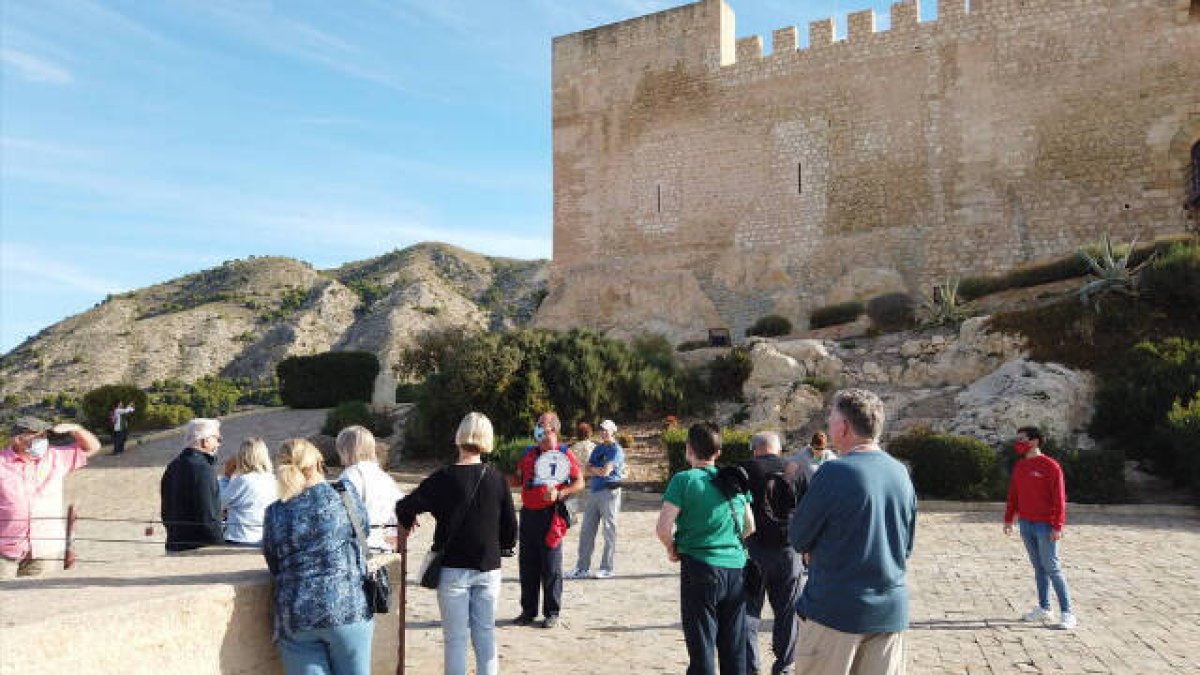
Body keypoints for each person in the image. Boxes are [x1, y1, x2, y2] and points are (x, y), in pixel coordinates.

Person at [789, 389, 917, 675]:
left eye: (831, 417)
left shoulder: (835, 472)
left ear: (843, 426)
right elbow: (905, 547)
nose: (828, 423)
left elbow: (798, 537)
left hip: (836, 611)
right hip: (889, 612)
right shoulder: (900, 472)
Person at [395, 412, 517, 675]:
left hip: (452, 567)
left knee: (455, 640)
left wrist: (409, 521)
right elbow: (510, 527)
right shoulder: (496, 478)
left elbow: (404, 506)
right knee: (485, 636)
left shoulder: (443, 478)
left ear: (459, 437)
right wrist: (504, 545)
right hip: (488, 566)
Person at [263, 438, 373, 675]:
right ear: (319, 463)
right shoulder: (343, 493)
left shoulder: (274, 511)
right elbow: (363, 530)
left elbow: (274, 562)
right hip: (347, 607)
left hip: (295, 614)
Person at [656, 422, 755, 675]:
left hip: (700, 566)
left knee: (702, 644)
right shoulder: (734, 478)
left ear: (688, 449)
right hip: (735, 568)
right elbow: (750, 526)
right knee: (734, 647)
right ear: (718, 452)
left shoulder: (684, 480)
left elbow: (663, 528)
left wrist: (672, 549)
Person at [1, 417, 101, 579]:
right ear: (18, 439)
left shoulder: (55, 457)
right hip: (4, 550)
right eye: (38, 437)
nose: (43, 441)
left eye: (45, 436)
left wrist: (76, 429)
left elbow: (93, 447)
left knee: (34, 598)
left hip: (44, 547)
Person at [512, 411, 584, 629]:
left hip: (551, 517)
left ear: (553, 429)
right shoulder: (528, 453)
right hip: (528, 515)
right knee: (527, 564)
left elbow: (580, 482)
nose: (538, 428)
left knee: (551, 566)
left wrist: (560, 494)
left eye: (542, 424)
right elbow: (518, 479)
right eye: (537, 424)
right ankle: (528, 611)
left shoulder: (564, 454)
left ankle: (552, 612)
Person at [739, 431, 802, 675]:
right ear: (778, 449)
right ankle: (784, 666)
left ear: (754, 449)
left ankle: (751, 666)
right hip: (789, 550)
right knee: (787, 612)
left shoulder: (743, 470)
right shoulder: (796, 469)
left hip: (753, 550)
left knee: (748, 612)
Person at [1004, 426, 1076, 630]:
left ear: (1034, 441)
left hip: (1045, 526)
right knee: (1039, 568)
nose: (1018, 443)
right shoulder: (1020, 466)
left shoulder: (1050, 466)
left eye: (1022, 439)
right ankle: (1044, 608)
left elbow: (1059, 499)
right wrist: (1009, 519)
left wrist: (1057, 526)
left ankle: (1067, 613)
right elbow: (1014, 494)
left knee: (1052, 568)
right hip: (1026, 524)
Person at [567, 418, 625, 579]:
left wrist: (595, 469)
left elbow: (606, 472)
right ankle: (582, 568)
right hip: (594, 491)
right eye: (602, 430)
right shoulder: (598, 448)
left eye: (607, 430)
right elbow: (587, 467)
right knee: (586, 530)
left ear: (613, 431)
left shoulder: (616, 450)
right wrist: (596, 469)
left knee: (609, 531)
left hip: (610, 493)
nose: (604, 433)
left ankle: (607, 567)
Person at [160, 418, 225, 552]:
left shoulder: (173, 465)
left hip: (174, 542)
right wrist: (219, 545)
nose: (219, 444)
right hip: (198, 547)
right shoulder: (203, 469)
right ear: (205, 441)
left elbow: (165, 510)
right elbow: (207, 515)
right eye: (217, 439)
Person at [337, 425, 404, 552]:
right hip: (385, 544)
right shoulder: (384, 477)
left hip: (362, 546)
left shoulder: (349, 475)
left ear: (345, 451)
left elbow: (343, 513)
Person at [218, 436, 277, 546]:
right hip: (264, 537)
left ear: (242, 457)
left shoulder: (242, 481)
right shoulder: (272, 479)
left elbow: (219, 502)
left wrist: (226, 476)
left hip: (241, 537)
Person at [565, 422, 596, 519]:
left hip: (576, 477)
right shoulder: (595, 447)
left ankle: (572, 515)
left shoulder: (572, 448)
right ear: (590, 433)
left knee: (572, 496)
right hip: (592, 477)